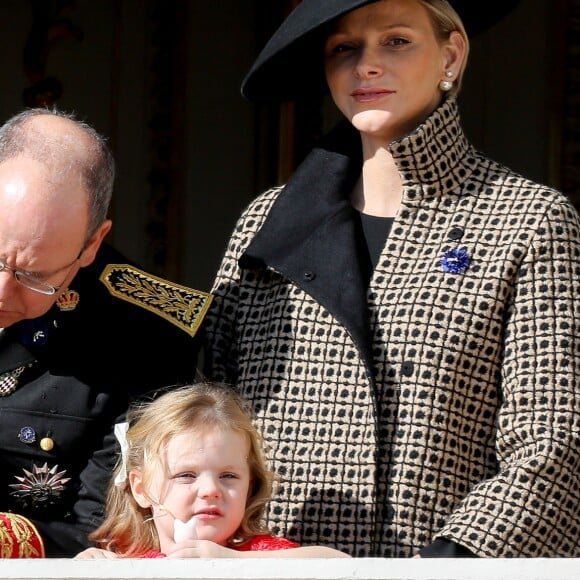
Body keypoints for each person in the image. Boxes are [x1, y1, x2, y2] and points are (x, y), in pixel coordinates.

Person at [203, 0, 580, 559]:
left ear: (452, 54)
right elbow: (205, 417)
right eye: (344, 48)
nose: (367, 65)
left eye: (396, 41)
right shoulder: (266, 222)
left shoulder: (530, 220)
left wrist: (443, 567)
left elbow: (553, 443)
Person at [0, 108, 212, 558]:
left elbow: (111, 529)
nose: (1, 290)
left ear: (92, 244)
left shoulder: (147, 337)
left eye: (34, 276)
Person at [74, 382, 350, 558]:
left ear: (249, 486)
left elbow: (338, 564)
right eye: (186, 475)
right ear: (141, 489)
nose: (210, 491)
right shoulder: (124, 565)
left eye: (228, 476)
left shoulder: (256, 556)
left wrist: (233, 563)